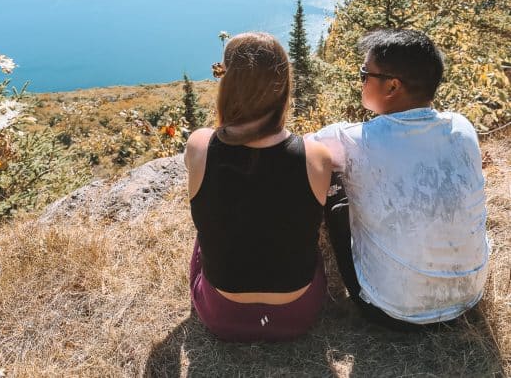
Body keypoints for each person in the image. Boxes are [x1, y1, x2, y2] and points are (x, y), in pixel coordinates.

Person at [314, 28, 488, 329]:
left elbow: (292, 153)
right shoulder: (462, 127)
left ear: (392, 86)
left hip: (392, 310)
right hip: (468, 297)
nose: (361, 81)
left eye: (364, 74)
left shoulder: (352, 140)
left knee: (332, 183)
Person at [185, 31, 332, 342]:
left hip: (221, 316)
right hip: (298, 315)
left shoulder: (200, 145)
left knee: (207, 227)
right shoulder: (315, 156)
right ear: (283, 87)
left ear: (227, 84)